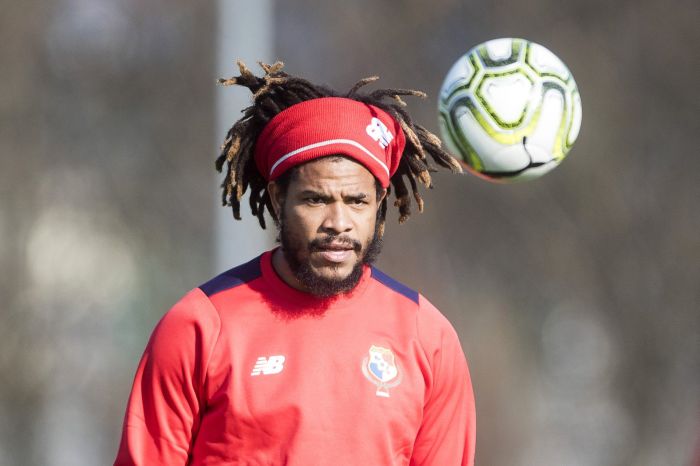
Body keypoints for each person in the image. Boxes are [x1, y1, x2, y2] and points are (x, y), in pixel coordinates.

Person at [114, 61, 476, 466]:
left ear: (378, 205)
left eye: (357, 202)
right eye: (315, 200)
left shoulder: (428, 339)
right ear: (276, 198)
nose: (338, 224)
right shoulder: (198, 327)